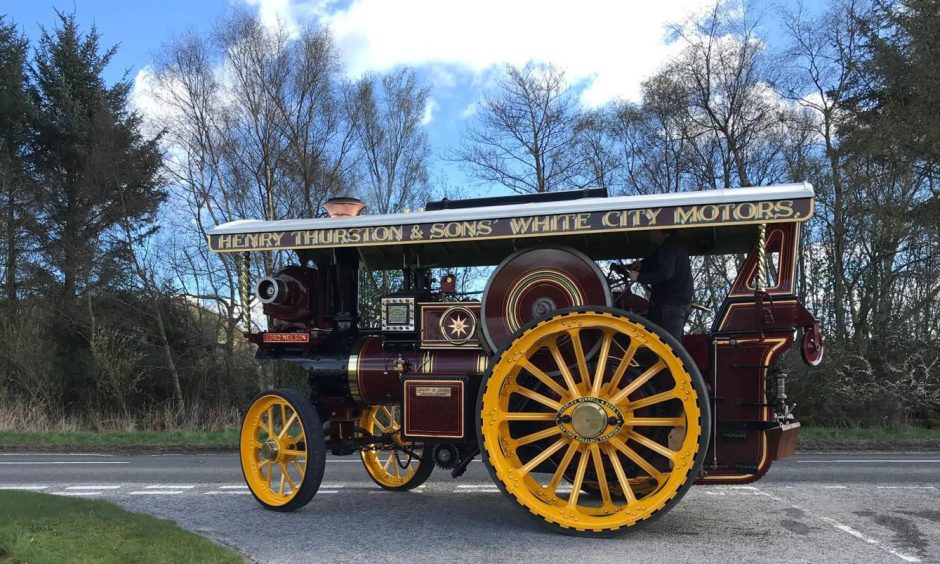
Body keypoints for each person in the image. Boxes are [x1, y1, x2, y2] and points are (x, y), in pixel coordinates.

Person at [625, 229, 693, 342]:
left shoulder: (669, 247)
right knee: (668, 342)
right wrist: (639, 265)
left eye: (653, 229)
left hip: (671, 305)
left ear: (662, 232)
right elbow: (653, 262)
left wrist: (639, 277)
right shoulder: (670, 246)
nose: (650, 232)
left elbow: (664, 273)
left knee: (671, 345)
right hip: (676, 303)